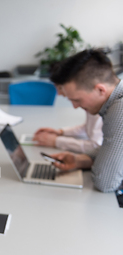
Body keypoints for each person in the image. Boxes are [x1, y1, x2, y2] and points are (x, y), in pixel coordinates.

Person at [48, 49, 123, 192]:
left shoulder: (120, 109)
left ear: (100, 90)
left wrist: (96, 163)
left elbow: (105, 182)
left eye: (77, 100)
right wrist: (80, 160)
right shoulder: (114, 102)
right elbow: (111, 149)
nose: (75, 107)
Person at [33, 83, 103, 154]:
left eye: (60, 88)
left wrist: (56, 141)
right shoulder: (93, 103)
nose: (58, 93)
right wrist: (61, 132)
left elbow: (96, 146)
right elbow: (89, 127)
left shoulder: (96, 104)